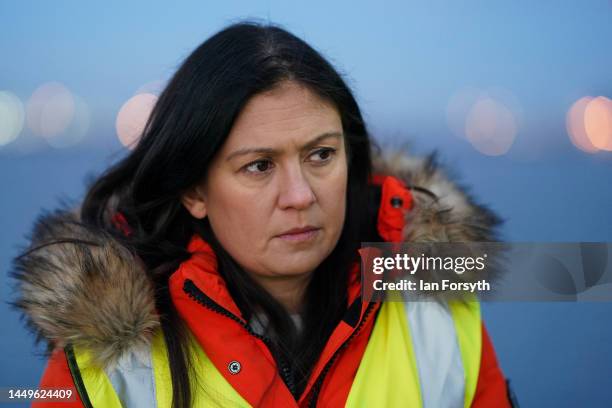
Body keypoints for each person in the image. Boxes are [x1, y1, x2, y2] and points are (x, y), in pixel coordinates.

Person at [13, 22, 516, 407]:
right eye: (258, 166)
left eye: (321, 155)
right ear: (194, 191)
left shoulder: (435, 302)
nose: (299, 195)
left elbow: (584, 277)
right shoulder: (109, 353)